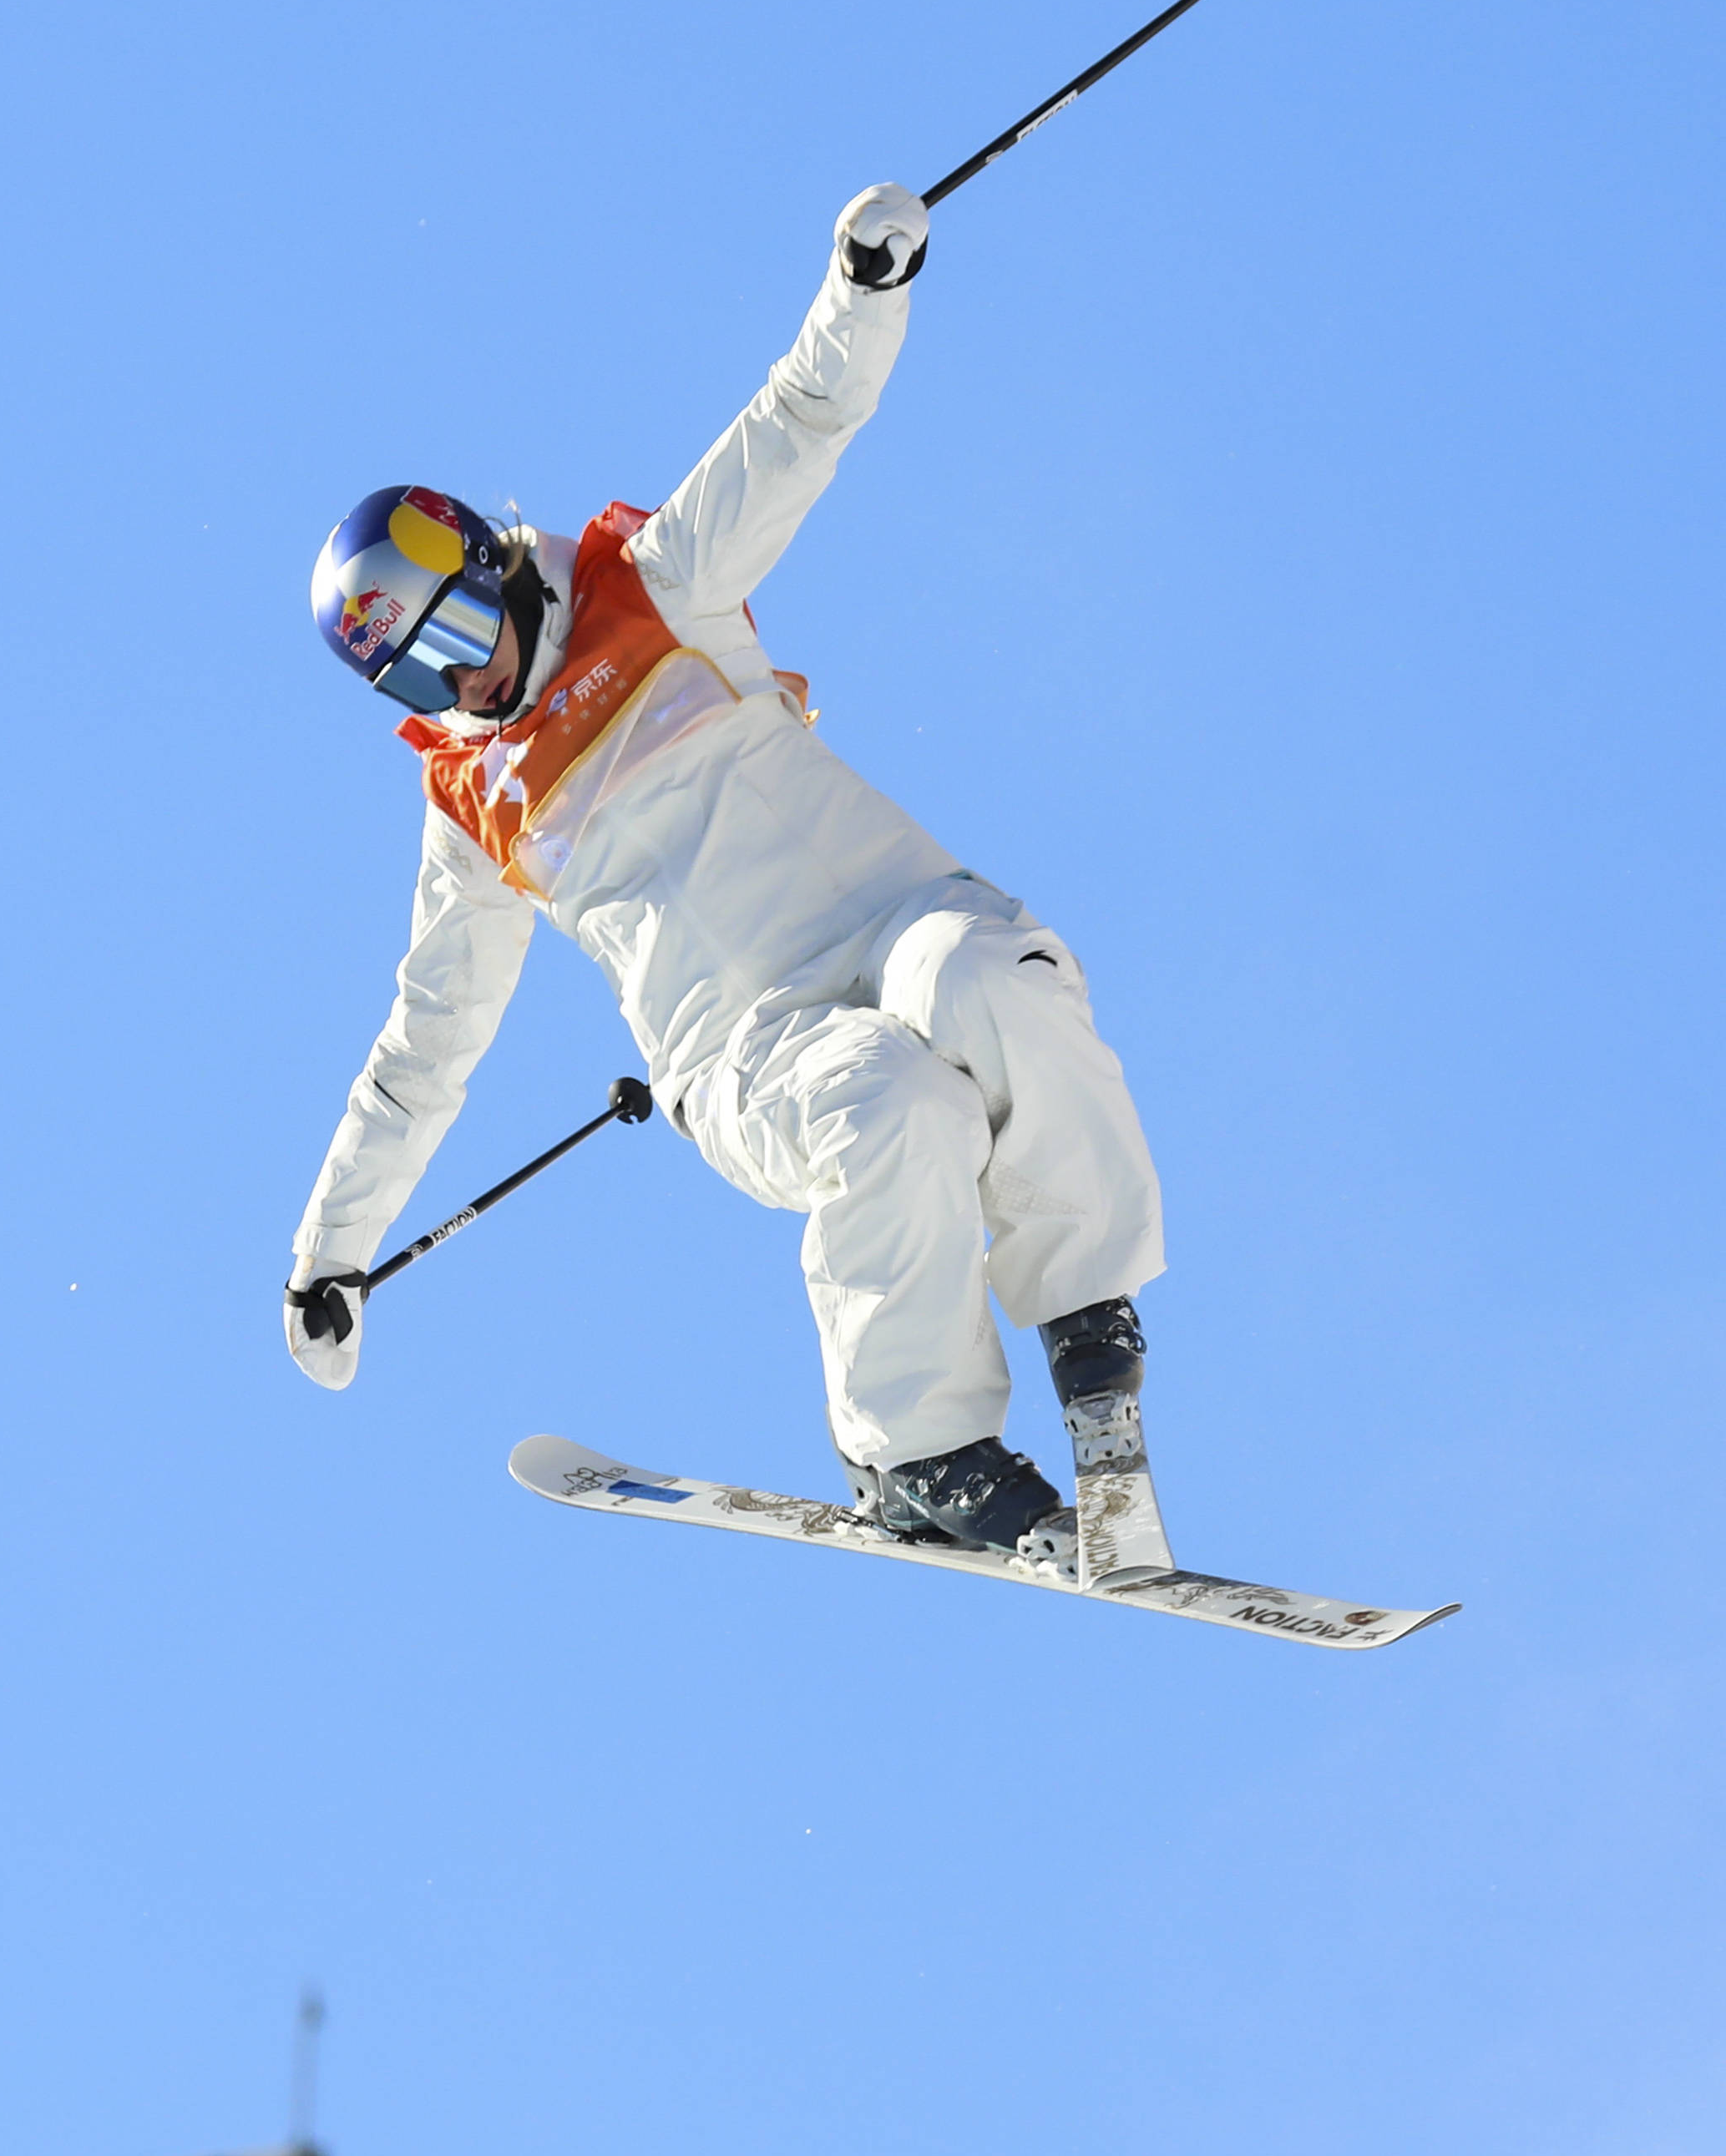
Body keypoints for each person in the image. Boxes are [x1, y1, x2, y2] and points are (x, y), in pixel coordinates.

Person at [286, 184, 1164, 1560]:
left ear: (487, 558)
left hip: (890, 913)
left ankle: (1089, 1319)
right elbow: (426, 1044)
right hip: (743, 1044)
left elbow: (799, 423)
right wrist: (333, 1249)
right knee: (890, 1106)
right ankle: (919, 1452)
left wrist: (865, 292)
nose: (474, 672)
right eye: (426, 666)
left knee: (991, 978)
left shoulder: (652, 582)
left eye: (463, 618)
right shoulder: (474, 804)